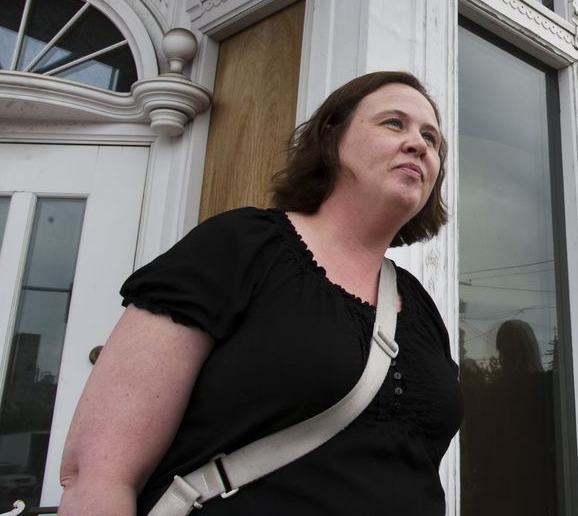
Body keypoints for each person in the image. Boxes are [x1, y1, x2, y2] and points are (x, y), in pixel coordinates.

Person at [57, 71, 463, 515]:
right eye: (393, 123)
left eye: (432, 138)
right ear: (332, 137)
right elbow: (97, 473)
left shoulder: (420, 307)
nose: (419, 144)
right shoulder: (240, 247)